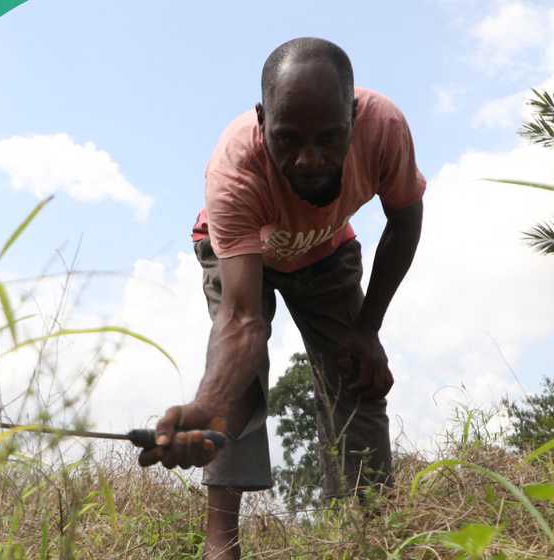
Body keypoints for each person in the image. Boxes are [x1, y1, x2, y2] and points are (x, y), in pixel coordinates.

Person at [138, 36, 425, 559]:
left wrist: (368, 330)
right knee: (238, 383)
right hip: (239, 257)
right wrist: (207, 404)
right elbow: (242, 319)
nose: (309, 159)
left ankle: (369, 531)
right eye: (288, 139)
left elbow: (404, 219)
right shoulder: (234, 168)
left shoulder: (384, 128)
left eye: (329, 139)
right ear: (261, 119)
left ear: (353, 117)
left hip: (325, 247)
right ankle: (221, 542)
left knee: (356, 376)